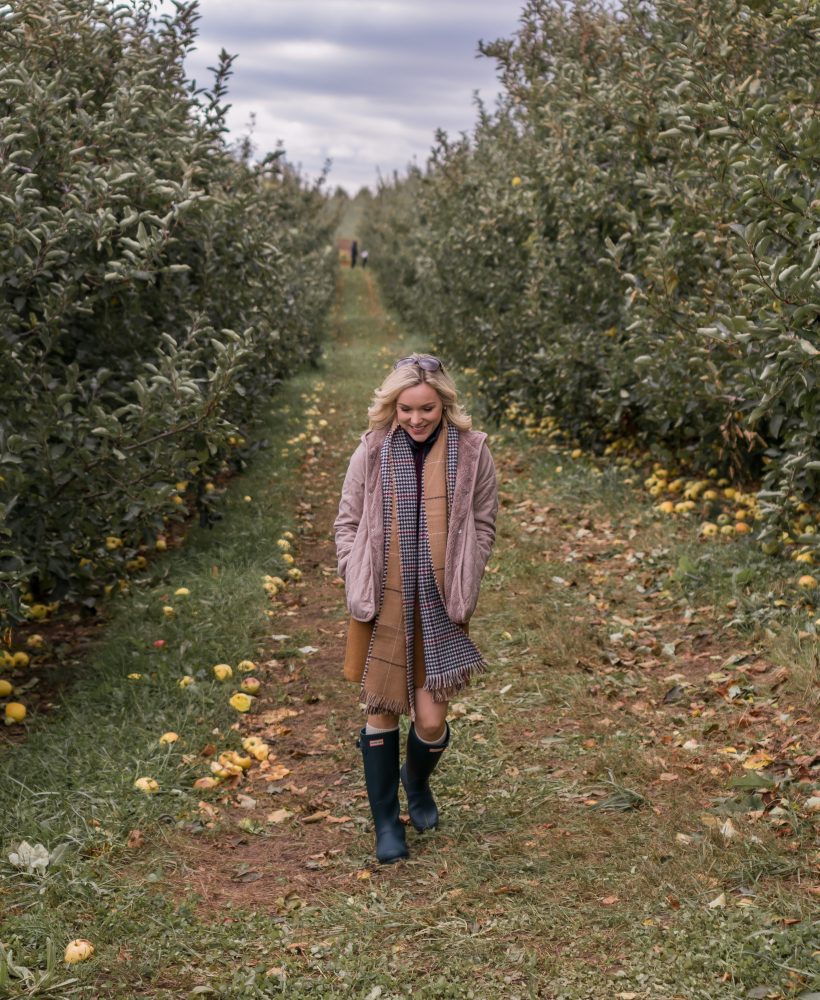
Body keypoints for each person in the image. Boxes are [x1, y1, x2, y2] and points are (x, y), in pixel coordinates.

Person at [334, 354, 498, 864]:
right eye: (406, 409)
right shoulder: (373, 451)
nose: (416, 419)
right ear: (392, 406)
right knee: (380, 711)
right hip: (383, 601)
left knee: (429, 722)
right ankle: (386, 823)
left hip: (439, 606)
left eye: (427, 408)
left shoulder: (472, 453)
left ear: (444, 404)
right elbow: (347, 521)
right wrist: (353, 569)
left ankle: (417, 782)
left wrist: (469, 569)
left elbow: (485, 520)